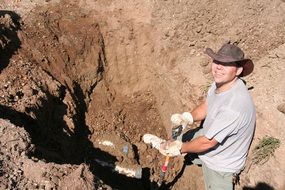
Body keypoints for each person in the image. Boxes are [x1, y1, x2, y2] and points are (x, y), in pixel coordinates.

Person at [159, 43, 256, 190]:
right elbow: (208, 104)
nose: (218, 67)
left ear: (238, 71)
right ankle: (194, 156)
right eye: (217, 61)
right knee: (183, 138)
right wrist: (188, 117)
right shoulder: (222, 83)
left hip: (222, 163)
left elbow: (208, 143)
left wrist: (180, 149)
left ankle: (192, 155)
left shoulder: (234, 107)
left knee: (184, 145)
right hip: (211, 135)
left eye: (226, 64)